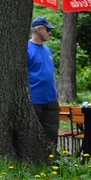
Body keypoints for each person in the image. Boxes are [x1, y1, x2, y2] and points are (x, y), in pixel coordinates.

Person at [27, 16, 60, 148]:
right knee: (34, 132)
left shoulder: (47, 50)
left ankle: (51, 158)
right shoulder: (27, 48)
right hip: (35, 99)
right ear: (38, 29)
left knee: (52, 132)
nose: (50, 33)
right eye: (47, 29)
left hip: (51, 99)